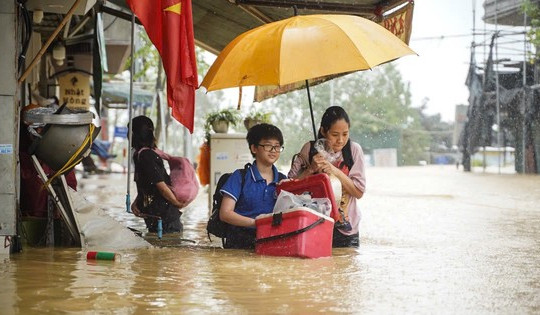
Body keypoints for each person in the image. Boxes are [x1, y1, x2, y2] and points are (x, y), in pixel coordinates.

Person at [288, 106, 366, 247]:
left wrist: (335, 171)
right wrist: (310, 169)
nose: (340, 140)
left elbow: (358, 192)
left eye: (345, 134)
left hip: (346, 230)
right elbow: (288, 190)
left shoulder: (354, 150)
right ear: (323, 131)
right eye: (335, 135)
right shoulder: (309, 150)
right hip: (313, 226)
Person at [219, 123, 287, 249]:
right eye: (268, 145)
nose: (273, 150)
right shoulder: (240, 177)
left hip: (271, 242)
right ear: (254, 148)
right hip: (239, 244)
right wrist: (256, 223)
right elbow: (225, 213)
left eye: (277, 147)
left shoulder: (283, 181)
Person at [130, 115, 186, 234]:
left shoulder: (147, 156)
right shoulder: (139, 155)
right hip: (155, 216)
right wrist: (137, 201)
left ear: (135, 134)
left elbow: (161, 186)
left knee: (167, 250)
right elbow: (147, 184)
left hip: (166, 219)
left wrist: (176, 203)